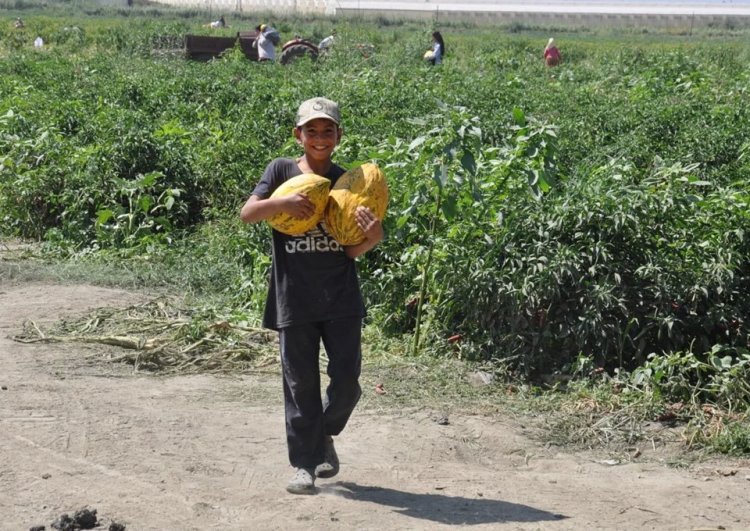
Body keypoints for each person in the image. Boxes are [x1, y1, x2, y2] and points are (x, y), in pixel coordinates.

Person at [239, 97, 384, 495]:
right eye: (312, 131)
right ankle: (304, 464)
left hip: (340, 297)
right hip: (294, 298)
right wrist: (281, 203)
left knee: (348, 381)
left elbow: (350, 249)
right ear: (298, 134)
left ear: (338, 135)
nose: (320, 138)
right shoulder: (281, 171)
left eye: (328, 131)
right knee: (300, 384)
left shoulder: (348, 181)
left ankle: (325, 434)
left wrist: (372, 238)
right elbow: (248, 213)